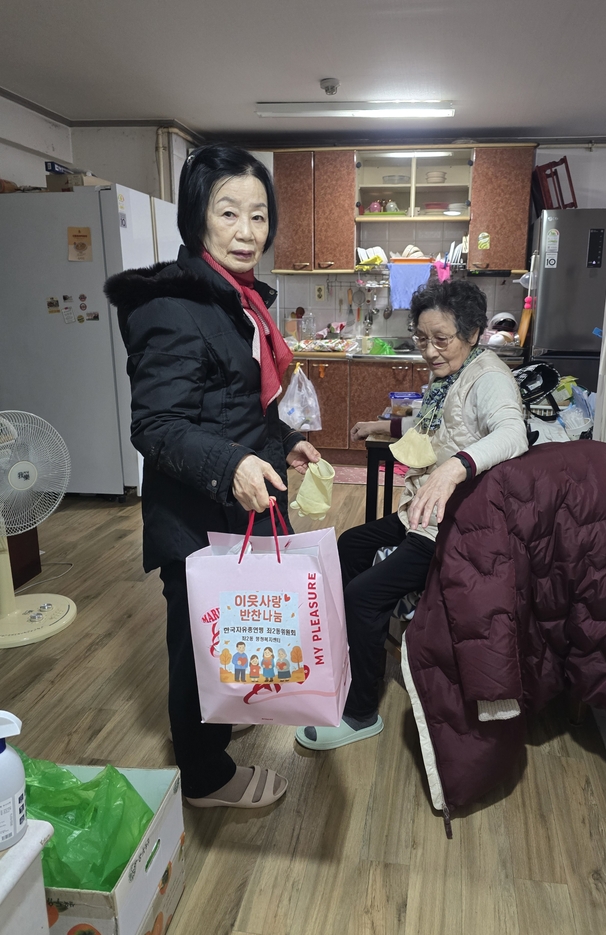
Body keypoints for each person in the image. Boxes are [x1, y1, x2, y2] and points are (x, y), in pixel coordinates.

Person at [104, 143, 320, 807]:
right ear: (197, 216)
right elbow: (157, 426)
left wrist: (284, 443)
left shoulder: (237, 299)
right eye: (229, 213)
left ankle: (221, 721)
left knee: (227, 633)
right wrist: (232, 465)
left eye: (259, 215)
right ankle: (205, 778)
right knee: (198, 646)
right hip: (195, 516)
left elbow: (231, 404)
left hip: (232, 507)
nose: (247, 231)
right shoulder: (173, 305)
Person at [295, 279, 528, 751]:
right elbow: (435, 423)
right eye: (422, 339)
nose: (430, 351)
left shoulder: (489, 377)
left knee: (363, 595)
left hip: (452, 524)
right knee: (349, 546)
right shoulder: (451, 374)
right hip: (421, 511)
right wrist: (382, 424)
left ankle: (361, 712)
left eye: (441, 339)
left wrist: (454, 470)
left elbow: (513, 434)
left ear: (473, 333)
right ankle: (352, 650)